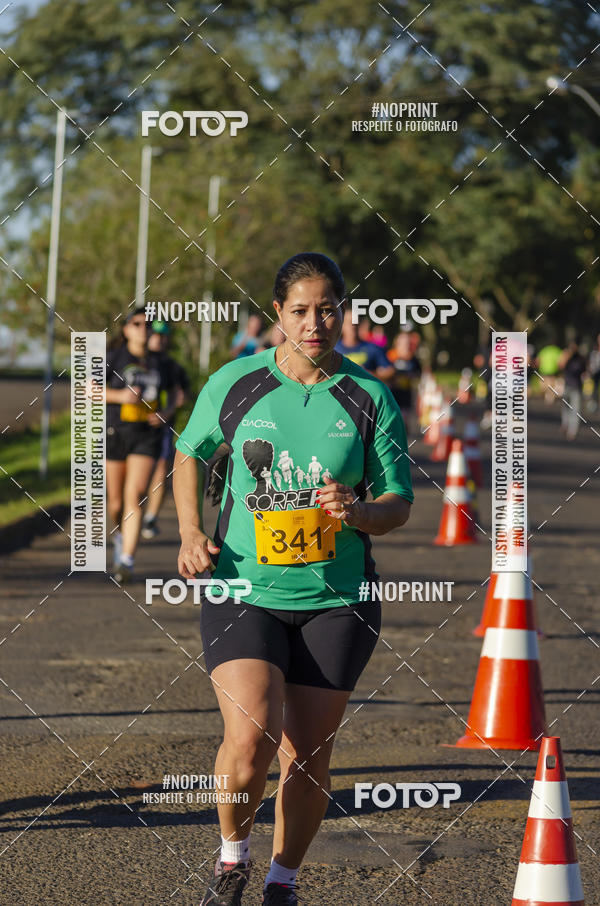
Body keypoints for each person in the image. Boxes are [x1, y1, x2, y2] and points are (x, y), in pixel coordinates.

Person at [173, 252, 413, 906]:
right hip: (243, 589)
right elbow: (189, 453)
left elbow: (399, 502)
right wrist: (192, 534)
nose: (316, 322)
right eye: (301, 310)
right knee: (248, 740)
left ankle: (283, 882)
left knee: (305, 757)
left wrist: (360, 511)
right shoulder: (237, 382)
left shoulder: (369, 397)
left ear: (344, 312)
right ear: (277, 313)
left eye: (328, 308)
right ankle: (232, 859)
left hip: (338, 600)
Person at [105, 311, 175, 583]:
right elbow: (88, 391)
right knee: (116, 503)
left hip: (147, 435)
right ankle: (121, 536)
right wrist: (120, 396)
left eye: (148, 325)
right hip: (116, 432)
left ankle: (126, 561)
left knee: (134, 494)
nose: (143, 329)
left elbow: (175, 397)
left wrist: (165, 415)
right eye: (137, 324)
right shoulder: (113, 359)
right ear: (126, 330)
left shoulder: (162, 363)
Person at [141, 320, 190, 539]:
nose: (159, 339)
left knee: (161, 469)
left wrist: (167, 412)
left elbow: (182, 395)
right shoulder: (135, 360)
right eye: (155, 334)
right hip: (131, 428)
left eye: (163, 335)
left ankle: (150, 518)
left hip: (162, 427)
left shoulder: (172, 367)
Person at [335, 309, 394, 382]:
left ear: (360, 324)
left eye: (355, 322)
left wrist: (368, 374)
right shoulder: (334, 350)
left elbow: (390, 371)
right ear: (341, 325)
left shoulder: (373, 348)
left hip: (366, 391)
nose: (352, 326)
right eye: (348, 322)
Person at [387, 330, 421, 432]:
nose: (405, 345)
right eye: (403, 342)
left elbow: (418, 374)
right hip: (392, 391)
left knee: (403, 421)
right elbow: (384, 371)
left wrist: (411, 376)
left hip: (406, 393)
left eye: (408, 343)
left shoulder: (413, 359)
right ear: (397, 343)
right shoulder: (391, 356)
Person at [559, 339, 587, 440]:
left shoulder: (581, 358)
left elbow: (585, 370)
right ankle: (565, 424)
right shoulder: (566, 356)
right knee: (566, 407)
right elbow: (560, 365)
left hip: (577, 386)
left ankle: (572, 431)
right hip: (567, 385)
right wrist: (567, 355)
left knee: (576, 409)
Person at [588, 333, 600, 411]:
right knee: (595, 390)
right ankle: (594, 404)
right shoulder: (594, 352)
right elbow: (591, 364)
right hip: (596, 374)